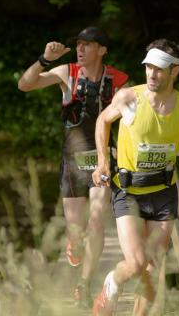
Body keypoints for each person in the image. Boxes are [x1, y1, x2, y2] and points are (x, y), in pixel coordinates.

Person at [91, 38, 179, 316]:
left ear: (175, 71)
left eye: (159, 69)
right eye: (148, 67)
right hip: (128, 191)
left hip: (163, 193)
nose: (151, 73)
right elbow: (103, 120)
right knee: (136, 264)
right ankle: (112, 282)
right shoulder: (129, 98)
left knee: (152, 268)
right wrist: (103, 161)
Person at [17, 26, 128, 309]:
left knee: (97, 218)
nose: (80, 49)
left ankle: (84, 283)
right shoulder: (67, 73)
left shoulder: (118, 81)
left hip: (103, 159)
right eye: (78, 44)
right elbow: (25, 85)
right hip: (72, 162)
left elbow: (136, 115)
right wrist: (44, 59)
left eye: (87, 45)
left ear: (102, 50)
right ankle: (74, 245)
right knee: (77, 229)